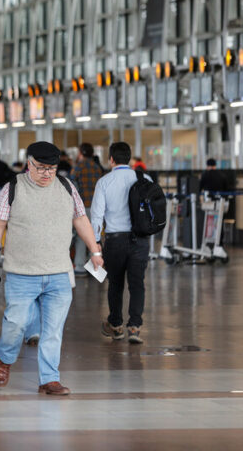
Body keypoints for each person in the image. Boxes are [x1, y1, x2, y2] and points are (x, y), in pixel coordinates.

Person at [0, 141, 103, 395]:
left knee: (53, 331)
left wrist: (95, 251)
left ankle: (49, 379)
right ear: (29, 164)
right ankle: (5, 358)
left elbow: (81, 219)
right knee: (15, 324)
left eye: (52, 168)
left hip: (59, 273)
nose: (47, 173)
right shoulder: (12, 188)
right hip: (21, 273)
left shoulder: (66, 187)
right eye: (41, 168)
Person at [91, 142, 151, 344]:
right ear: (130, 158)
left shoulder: (104, 182)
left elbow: (96, 216)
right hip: (140, 240)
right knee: (137, 283)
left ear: (111, 160)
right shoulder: (144, 179)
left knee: (115, 284)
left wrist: (96, 242)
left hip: (115, 241)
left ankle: (116, 326)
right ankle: (135, 327)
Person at [71, 143, 103, 273]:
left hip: (82, 207)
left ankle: (79, 266)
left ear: (81, 153)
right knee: (94, 236)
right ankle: (94, 267)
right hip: (95, 207)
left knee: (81, 236)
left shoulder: (78, 167)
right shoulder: (97, 167)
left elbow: (72, 186)